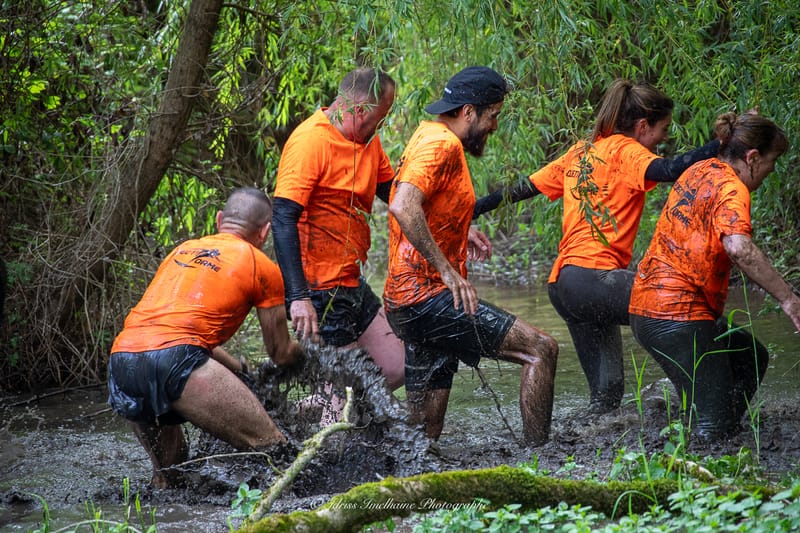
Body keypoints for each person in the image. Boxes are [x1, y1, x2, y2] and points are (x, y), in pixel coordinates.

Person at [473, 79, 721, 414]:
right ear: (643, 125)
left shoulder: (582, 151)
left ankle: (589, 435)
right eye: (662, 129)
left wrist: (468, 210)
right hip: (594, 279)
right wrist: (719, 144)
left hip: (564, 287)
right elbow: (670, 169)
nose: (663, 139)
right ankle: (704, 407)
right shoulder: (626, 150)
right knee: (683, 309)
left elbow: (518, 190)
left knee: (606, 397)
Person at [383, 66, 559, 445]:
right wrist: (448, 272)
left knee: (423, 435)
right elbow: (402, 205)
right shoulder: (442, 145)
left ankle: (397, 479)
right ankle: (542, 462)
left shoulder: (427, 134)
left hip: (406, 302)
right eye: (492, 115)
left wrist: (461, 227)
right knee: (541, 350)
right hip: (427, 297)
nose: (494, 126)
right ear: (468, 112)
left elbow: (425, 207)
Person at [107, 187, 304, 488]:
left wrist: (240, 369)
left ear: (219, 219)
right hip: (176, 359)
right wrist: (310, 355)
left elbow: (177, 332)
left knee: (171, 479)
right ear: (265, 232)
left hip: (122, 362)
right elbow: (280, 352)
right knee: (277, 452)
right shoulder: (260, 264)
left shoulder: (182, 251)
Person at [629, 112, 800, 440]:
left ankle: (718, 422)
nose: (772, 170)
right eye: (772, 161)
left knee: (749, 357)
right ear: (752, 158)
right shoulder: (732, 188)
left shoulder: (700, 169)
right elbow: (739, 248)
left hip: (647, 309)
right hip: (676, 315)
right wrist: (789, 299)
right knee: (712, 428)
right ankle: (708, 441)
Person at [272, 67, 404, 393]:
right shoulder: (309, 142)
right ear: (358, 110)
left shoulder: (367, 141)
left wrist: (457, 226)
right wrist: (298, 298)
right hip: (318, 289)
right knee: (340, 390)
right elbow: (282, 219)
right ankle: (319, 432)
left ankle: (317, 417)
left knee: (396, 367)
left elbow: (398, 197)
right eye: (380, 116)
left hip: (350, 280)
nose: (382, 125)